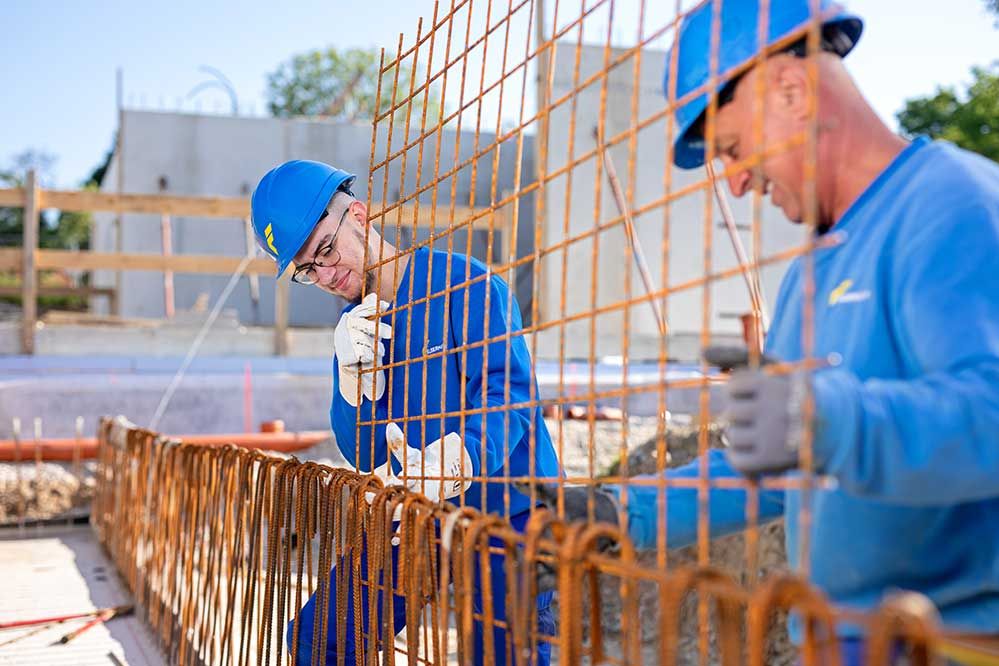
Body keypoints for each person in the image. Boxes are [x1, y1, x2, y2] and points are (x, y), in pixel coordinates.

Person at [531, 0, 999, 663]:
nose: (736, 181)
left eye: (731, 149)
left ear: (791, 90)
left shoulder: (954, 206)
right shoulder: (812, 269)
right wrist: (619, 512)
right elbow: (776, 469)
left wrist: (826, 421)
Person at [250, 160, 559, 665]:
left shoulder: (466, 285)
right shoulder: (357, 329)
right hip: (420, 514)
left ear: (359, 215)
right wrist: (353, 390)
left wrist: (460, 458)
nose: (326, 275)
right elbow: (363, 451)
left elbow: (508, 395)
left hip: (513, 510)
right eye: (308, 270)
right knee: (318, 640)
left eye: (325, 250)